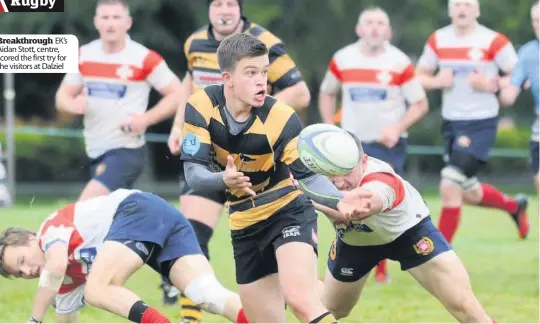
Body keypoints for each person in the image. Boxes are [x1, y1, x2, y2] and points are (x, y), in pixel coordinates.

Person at [180, 33, 372, 323]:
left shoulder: (282, 117)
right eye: (251, 73)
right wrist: (224, 181)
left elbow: (307, 177)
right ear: (227, 78)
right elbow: (193, 174)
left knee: (301, 301)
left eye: (264, 72)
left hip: (288, 212)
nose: (262, 81)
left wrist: (340, 199)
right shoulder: (200, 107)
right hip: (243, 223)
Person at [164, 0, 311, 317]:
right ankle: (191, 317)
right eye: (217, 3)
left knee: (288, 283)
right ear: (208, 9)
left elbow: (300, 93)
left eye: (231, 2)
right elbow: (189, 84)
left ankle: (307, 288)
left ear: (240, 9)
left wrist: (251, 122)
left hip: (257, 161)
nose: (224, 9)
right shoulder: (194, 43)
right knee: (193, 235)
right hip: (208, 150)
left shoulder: (266, 43)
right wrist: (180, 124)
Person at [307, 133, 495, 323]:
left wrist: (306, 194)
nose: (339, 182)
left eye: (346, 171)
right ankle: (291, 281)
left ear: (363, 162)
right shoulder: (313, 178)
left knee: (464, 306)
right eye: (331, 173)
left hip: (410, 234)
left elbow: (357, 207)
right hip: (355, 241)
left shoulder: (382, 178)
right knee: (330, 309)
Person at [0, 189, 248, 324]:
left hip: (135, 209)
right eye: (19, 274)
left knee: (96, 289)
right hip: (160, 216)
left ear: (31, 239)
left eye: (22, 261)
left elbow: (54, 266)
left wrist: (34, 319)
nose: (28, 272)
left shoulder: (48, 231)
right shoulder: (65, 282)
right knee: (207, 294)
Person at [319, 6, 429, 284]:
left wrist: (397, 127)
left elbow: (420, 104)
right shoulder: (342, 59)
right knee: (346, 205)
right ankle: (350, 263)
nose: (375, 28)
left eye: (381, 23)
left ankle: (381, 270)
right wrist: (330, 128)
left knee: (378, 202)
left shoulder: (399, 62)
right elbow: (326, 93)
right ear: (359, 29)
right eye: (369, 22)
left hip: (386, 144)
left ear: (388, 30)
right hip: (349, 148)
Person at [415, 0, 529, 243]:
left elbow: (520, 77)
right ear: (450, 10)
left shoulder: (494, 41)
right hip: (451, 122)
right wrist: (437, 82)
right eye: (457, 4)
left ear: (477, 10)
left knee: (449, 182)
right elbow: (419, 76)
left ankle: (438, 251)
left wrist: (491, 84)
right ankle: (514, 206)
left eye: (467, 4)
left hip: (481, 122)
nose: (462, 8)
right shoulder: (438, 40)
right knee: (467, 189)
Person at [55, 0, 183, 202]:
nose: (110, 23)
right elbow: (62, 97)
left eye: (116, 17)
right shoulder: (84, 55)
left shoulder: (144, 58)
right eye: (105, 18)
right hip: (95, 149)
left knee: (85, 206)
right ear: (96, 22)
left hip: (127, 149)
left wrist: (146, 119)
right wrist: (73, 105)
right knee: (106, 213)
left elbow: (178, 93)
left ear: (128, 22)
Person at [500, 1, 539, 193]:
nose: (537, 24)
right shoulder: (528, 52)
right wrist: (493, 86)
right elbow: (510, 94)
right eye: (535, 20)